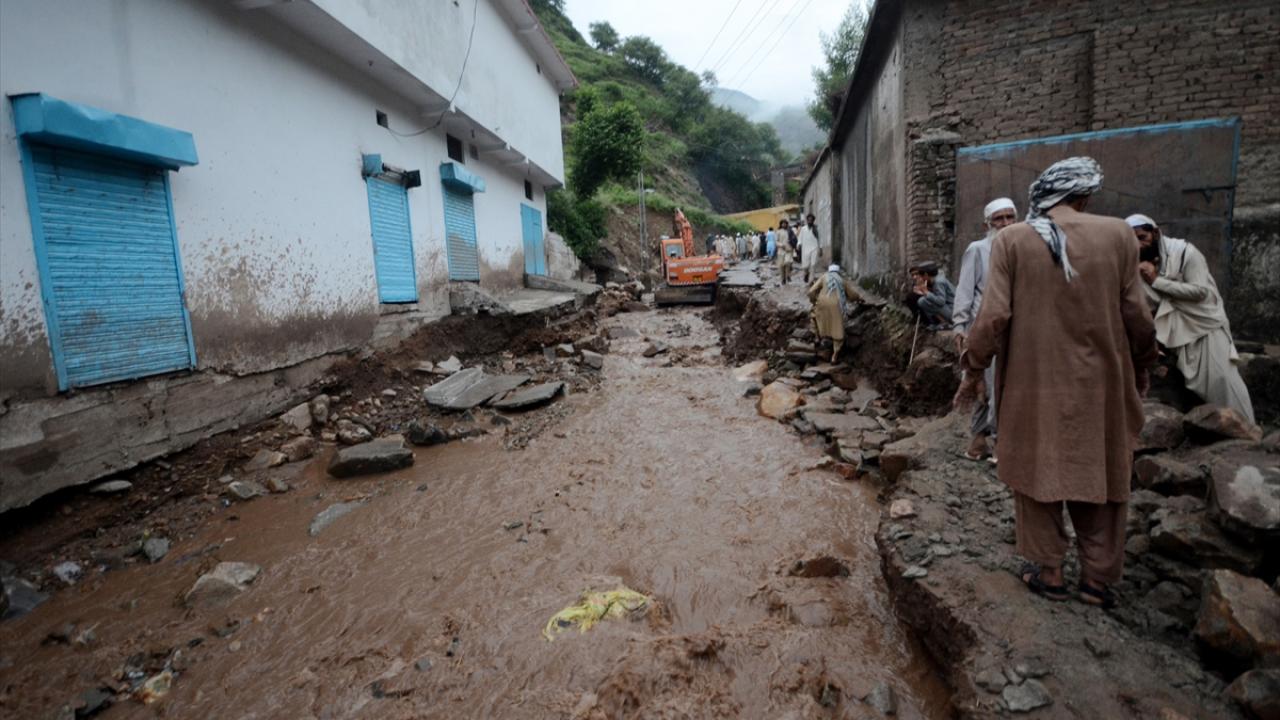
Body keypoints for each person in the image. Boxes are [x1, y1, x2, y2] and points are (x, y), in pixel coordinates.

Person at [955, 157, 1157, 609]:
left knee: (1034, 470)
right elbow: (1137, 317)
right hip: (1102, 381)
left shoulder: (1012, 241)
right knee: (1101, 472)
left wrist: (972, 368)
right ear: (1084, 197)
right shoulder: (1119, 237)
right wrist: (1143, 364)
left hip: (1032, 382)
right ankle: (1096, 581)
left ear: (1040, 198)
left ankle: (1048, 572)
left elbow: (992, 318)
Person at [1128, 213, 1255, 423]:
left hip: (1204, 325)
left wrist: (1155, 280)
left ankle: (1248, 429)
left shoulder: (1186, 252)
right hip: (1175, 329)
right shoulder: (1134, 260)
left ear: (1156, 233)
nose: (1138, 245)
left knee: (1222, 380)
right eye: (1131, 240)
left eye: (1142, 237)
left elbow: (1200, 292)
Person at [953, 197, 1018, 460]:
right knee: (984, 384)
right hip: (983, 328)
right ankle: (985, 442)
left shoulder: (1021, 248)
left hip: (1013, 328)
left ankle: (985, 442)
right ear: (987, 224)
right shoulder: (978, 250)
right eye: (999, 219)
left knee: (1005, 386)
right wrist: (959, 325)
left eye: (1010, 217)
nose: (1005, 223)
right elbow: (965, 289)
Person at [808, 264, 861, 362]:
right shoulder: (842, 280)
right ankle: (834, 356)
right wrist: (859, 298)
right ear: (838, 272)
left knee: (814, 316)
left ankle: (816, 337)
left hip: (822, 303)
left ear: (829, 271)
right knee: (838, 328)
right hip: (837, 305)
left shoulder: (824, 277)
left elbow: (811, 291)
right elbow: (853, 295)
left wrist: (814, 300)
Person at [908, 261, 954, 329]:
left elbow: (941, 301)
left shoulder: (939, 282)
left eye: (921, 276)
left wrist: (926, 292)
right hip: (948, 309)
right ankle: (939, 323)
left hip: (953, 311)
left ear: (926, 275)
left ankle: (946, 323)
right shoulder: (935, 280)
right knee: (922, 301)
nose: (921, 278)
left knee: (923, 301)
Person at [797, 216, 821, 284]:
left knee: (813, 264)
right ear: (807, 221)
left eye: (811, 220)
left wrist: (820, 248)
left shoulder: (816, 228)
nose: (810, 221)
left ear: (813, 221)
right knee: (805, 266)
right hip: (805, 249)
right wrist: (799, 244)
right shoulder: (803, 229)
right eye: (809, 220)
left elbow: (820, 238)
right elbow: (800, 238)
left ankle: (811, 280)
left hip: (814, 248)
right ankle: (806, 274)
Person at [776, 219, 794, 284]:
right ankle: (783, 279)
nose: (784, 224)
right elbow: (776, 241)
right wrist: (781, 245)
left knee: (787, 263)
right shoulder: (778, 232)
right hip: (781, 251)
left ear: (787, 224)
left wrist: (792, 246)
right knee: (781, 266)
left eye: (785, 223)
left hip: (789, 250)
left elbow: (794, 239)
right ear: (780, 224)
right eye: (782, 223)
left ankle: (788, 275)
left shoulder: (790, 231)